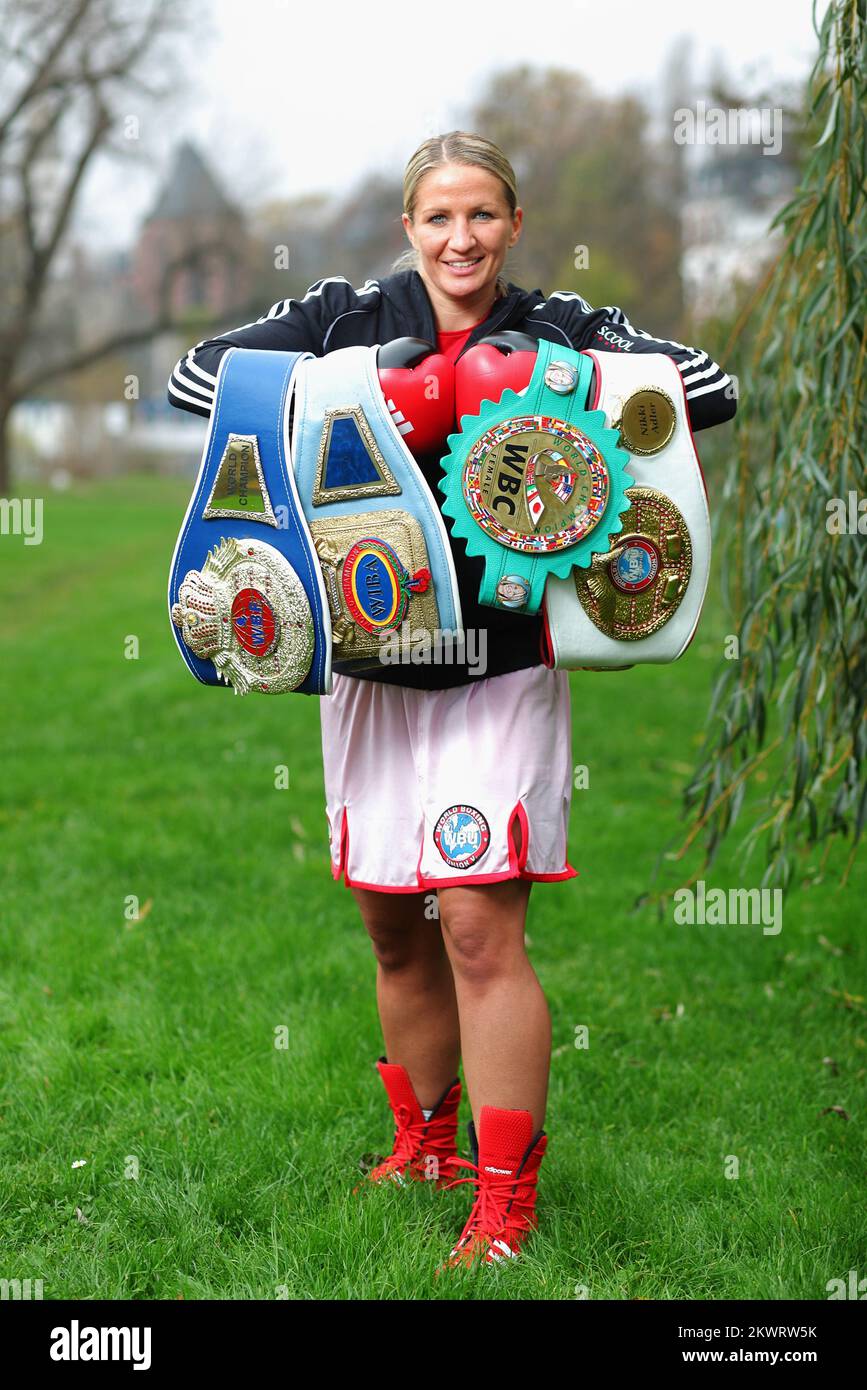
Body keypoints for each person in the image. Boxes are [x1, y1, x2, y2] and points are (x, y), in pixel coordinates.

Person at [168, 130, 736, 1271]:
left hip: (501, 664)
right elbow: (199, 378)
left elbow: (711, 388)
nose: (461, 238)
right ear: (410, 228)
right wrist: (340, 389)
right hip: (372, 664)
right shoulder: (345, 312)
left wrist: (553, 386)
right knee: (393, 920)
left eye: (482, 216)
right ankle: (422, 1145)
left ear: (513, 223)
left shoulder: (563, 322)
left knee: (474, 921)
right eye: (439, 218)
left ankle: (503, 1202)